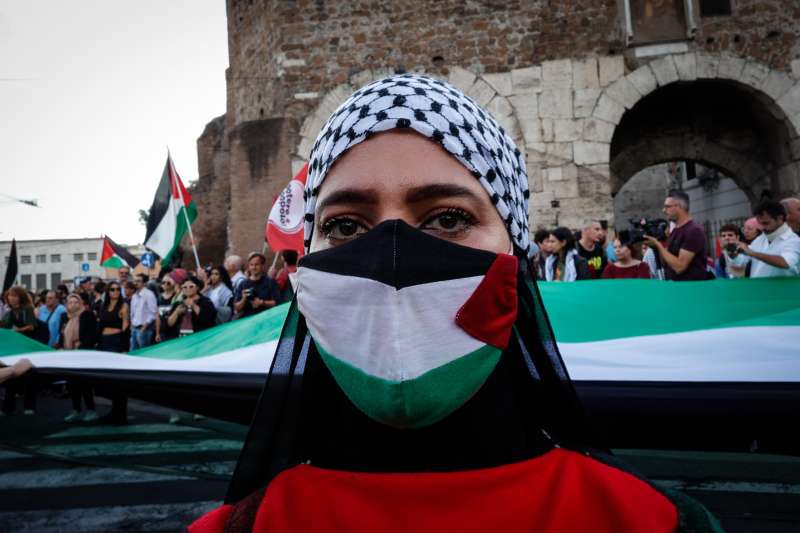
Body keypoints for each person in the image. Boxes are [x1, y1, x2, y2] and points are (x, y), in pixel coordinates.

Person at [190, 74, 715, 532]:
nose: (394, 258)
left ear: (515, 248)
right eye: (345, 225)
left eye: (447, 218)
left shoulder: (652, 521)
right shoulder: (240, 528)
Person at [644, 189, 708, 281]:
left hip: (692, 289)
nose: (664, 210)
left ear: (679, 207)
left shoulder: (694, 231)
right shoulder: (675, 231)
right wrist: (656, 246)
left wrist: (658, 245)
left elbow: (679, 267)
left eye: (667, 207)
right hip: (675, 288)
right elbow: (666, 264)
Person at [1, 286, 39, 415]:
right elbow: (4, 326)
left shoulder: (27, 309)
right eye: (10, 296)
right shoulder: (10, 312)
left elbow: (31, 326)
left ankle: (29, 406)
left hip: (28, 346)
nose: (11, 298)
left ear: (20, 297)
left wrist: (17, 331)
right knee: (11, 377)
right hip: (16, 347)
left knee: (29, 376)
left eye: (14, 295)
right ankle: (8, 407)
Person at [60, 293, 98, 422]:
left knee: (85, 383)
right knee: (73, 384)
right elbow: (63, 337)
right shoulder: (66, 318)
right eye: (70, 302)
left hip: (83, 354)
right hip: (69, 355)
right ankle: (76, 409)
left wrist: (81, 350)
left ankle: (91, 410)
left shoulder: (87, 315)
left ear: (81, 303)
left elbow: (91, 336)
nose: (73, 304)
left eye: (76, 302)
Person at [737, 200, 800, 278]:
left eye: (766, 223)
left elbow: (786, 262)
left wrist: (752, 253)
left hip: (782, 289)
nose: (762, 227)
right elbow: (742, 260)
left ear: (780, 218)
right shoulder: (761, 238)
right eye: (759, 223)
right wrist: (733, 252)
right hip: (757, 288)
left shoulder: (794, 240)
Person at [233, 252, 280, 318]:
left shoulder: (270, 282)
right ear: (248, 267)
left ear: (262, 266)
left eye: (256, 264)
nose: (254, 267)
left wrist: (262, 302)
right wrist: (243, 299)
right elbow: (236, 308)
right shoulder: (243, 284)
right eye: (251, 265)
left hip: (267, 317)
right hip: (248, 319)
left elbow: (277, 303)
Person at [97, 281, 129, 353]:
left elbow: (125, 326)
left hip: (116, 340)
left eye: (118, 289)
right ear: (108, 292)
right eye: (112, 289)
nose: (116, 291)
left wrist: (124, 347)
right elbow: (100, 325)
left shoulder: (123, 306)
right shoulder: (103, 306)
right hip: (104, 340)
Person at [130, 273, 158, 350]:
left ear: (144, 283)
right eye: (135, 281)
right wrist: (132, 325)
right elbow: (132, 313)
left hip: (145, 329)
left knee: (144, 354)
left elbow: (153, 312)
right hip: (134, 328)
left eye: (138, 281)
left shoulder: (149, 294)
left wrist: (144, 327)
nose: (136, 283)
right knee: (133, 354)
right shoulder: (134, 295)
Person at [156, 271, 184, 342]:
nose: (165, 284)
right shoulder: (159, 297)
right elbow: (157, 317)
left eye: (168, 282)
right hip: (163, 332)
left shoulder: (177, 296)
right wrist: (157, 333)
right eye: (163, 282)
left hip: (175, 332)